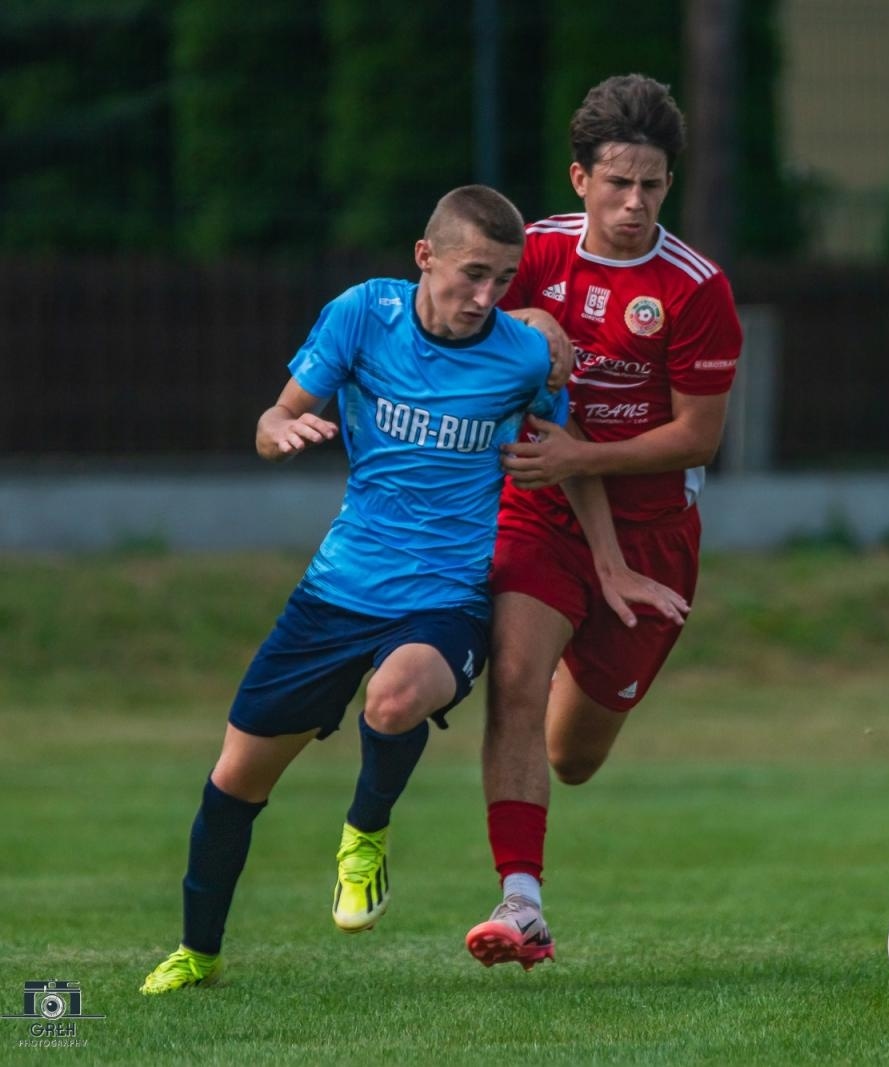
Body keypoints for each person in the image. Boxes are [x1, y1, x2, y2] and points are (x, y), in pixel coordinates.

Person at [140, 184, 685, 994]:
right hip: (337, 589)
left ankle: (365, 832)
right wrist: (279, 429)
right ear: (425, 257)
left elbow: (564, 451)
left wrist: (607, 561)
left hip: (446, 599)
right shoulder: (363, 315)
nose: (487, 296)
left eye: (503, 279)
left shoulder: (523, 356)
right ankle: (198, 953)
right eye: (473, 274)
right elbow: (275, 416)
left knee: (395, 699)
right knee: (235, 780)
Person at [463, 74, 744, 970]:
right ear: (579, 178)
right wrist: (523, 321)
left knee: (574, 756)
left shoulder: (696, 289)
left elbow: (698, 437)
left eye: (652, 185)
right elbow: (462, 330)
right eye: (617, 182)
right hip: (541, 510)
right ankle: (522, 903)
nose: (634, 202)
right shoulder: (534, 254)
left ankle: (563, 677)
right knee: (514, 675)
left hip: (654, 534)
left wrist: (582, 458)